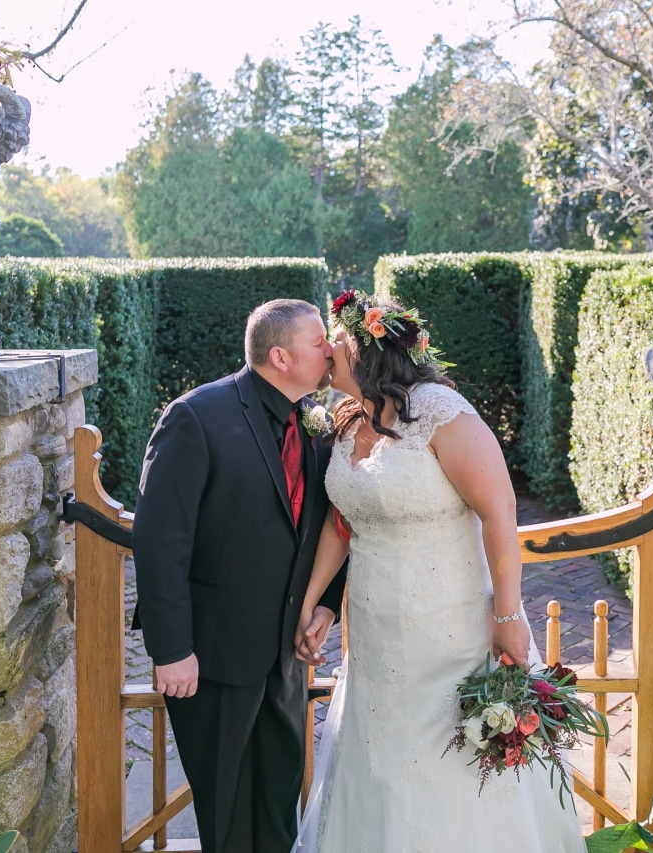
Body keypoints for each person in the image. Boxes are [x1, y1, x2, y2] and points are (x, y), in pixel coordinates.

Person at [291, 291, 586, 852]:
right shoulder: (346, 419)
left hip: (449, 630)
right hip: (376, 634)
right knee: (378, 751)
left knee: (454, 759)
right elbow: (340, 523)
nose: (327, 349)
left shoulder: (440, 411)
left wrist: (508, 613)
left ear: (368, 348)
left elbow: (499, 510)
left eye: (338, 339)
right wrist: (310, 602)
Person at [132, 298, 347, 853]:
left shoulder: (318, 425)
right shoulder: (196, 417)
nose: (331, 349)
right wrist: (172, 648)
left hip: (286, 660)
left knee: (277, 810)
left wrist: (327, 605)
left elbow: (333, 523)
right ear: (280, 355)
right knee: (226, 819)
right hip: (214, 659)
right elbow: (161, 542)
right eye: (319, 340)